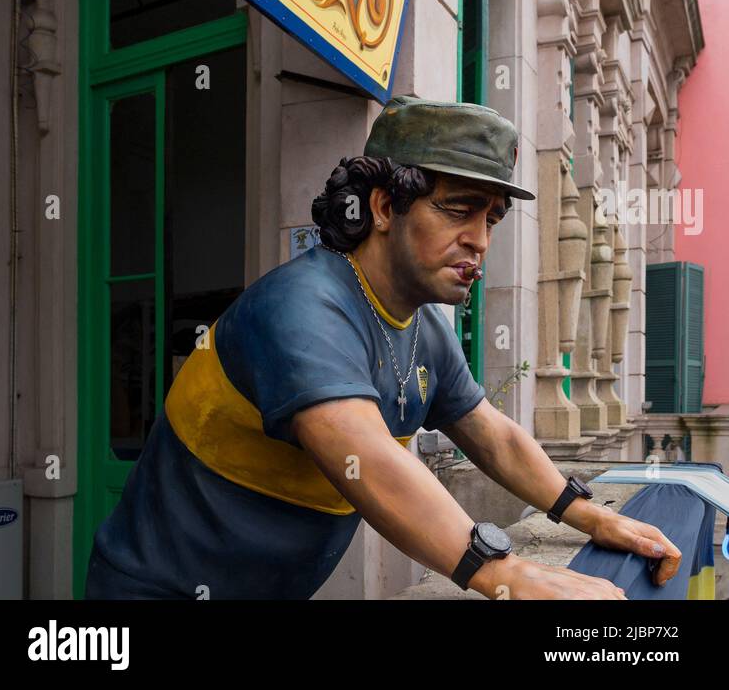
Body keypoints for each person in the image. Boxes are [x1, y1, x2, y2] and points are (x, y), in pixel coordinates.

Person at [84, 96, 680, 600]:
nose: (479, 240)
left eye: (493, 219)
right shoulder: (300, 306)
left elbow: (491, 434)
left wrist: (591, 515)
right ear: (382, 207)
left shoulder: (421, 326)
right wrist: (504, 573)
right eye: (458, 209)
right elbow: (365, 455)